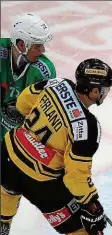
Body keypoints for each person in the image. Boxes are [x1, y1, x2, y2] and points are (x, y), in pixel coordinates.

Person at [0, 58, 112, 235]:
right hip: (40, 182)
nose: (104, 93)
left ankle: (2, 222)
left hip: (7, 155)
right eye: (103, 89)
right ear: (94, 91)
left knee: (8, 189)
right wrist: (92, 206)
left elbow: (23, 103)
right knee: (81, 231)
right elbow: (75, 178)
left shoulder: (57, 83)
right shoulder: (88, 126)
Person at [1, 13, 56, 141]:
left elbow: (44, 114)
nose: (42, 50)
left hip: (20, 139)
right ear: (21, 44)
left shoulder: (44, 71)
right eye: (37, 46)